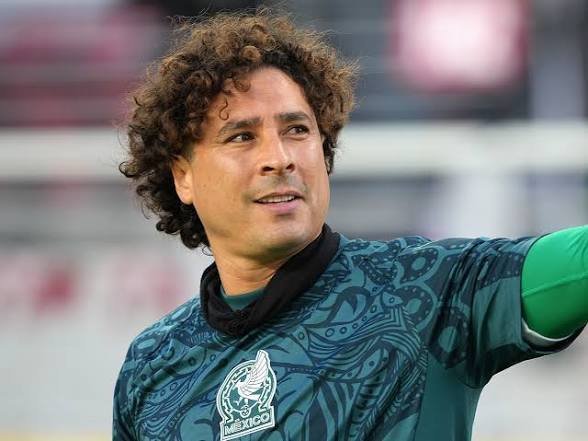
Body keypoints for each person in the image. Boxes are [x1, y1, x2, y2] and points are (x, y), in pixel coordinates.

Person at [113, 9, 587, 441]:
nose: (279, 158)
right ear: (183, 175)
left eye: (297, 130)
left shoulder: (424, 290)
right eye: (241, 137)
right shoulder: (150, 366)